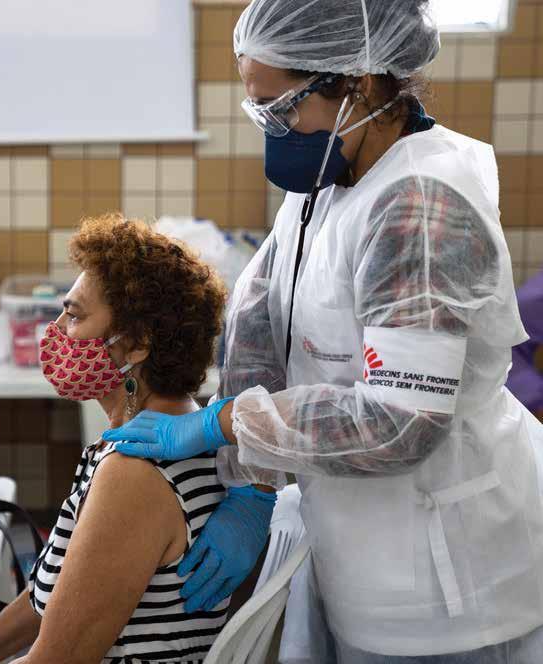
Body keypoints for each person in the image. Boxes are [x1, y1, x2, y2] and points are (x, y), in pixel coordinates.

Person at [102, 0, 543, 661]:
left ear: (356, 83)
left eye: (282, 107)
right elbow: (259, 324)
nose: (276, 130)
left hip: (455, 579)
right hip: (359, 551)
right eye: (260, 112)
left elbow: (399, 421)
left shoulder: (420, 207)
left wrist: (224, 424)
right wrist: (250, 484)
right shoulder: (327, 182)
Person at [0, 214, 234, 664]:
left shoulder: (135, 474)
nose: (56, 329)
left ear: (136, 344)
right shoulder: (168, 429)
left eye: (74, 315)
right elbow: (51, 598)